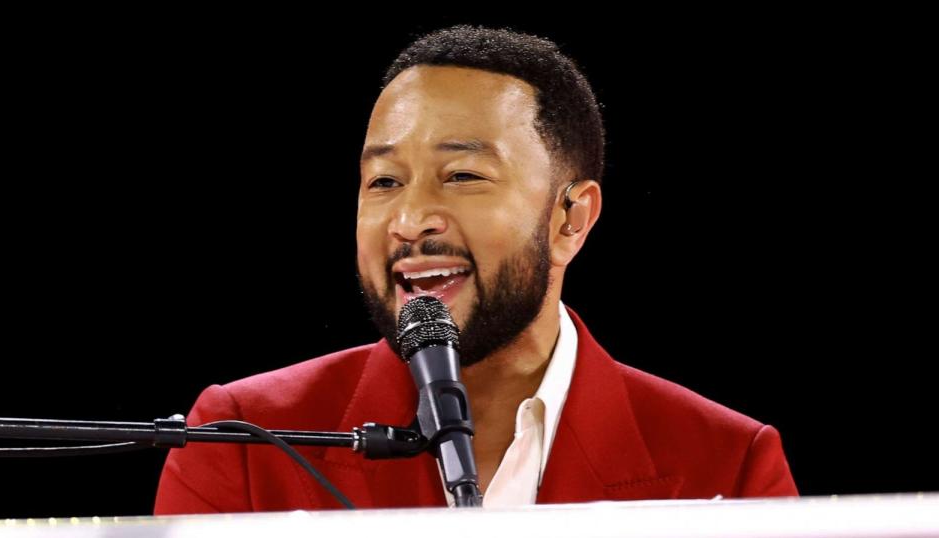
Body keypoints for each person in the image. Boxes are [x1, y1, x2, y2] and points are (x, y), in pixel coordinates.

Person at [154, 25, 797, 514]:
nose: (409, 220)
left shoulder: (727, 465)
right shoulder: (241, 440)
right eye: (383, 181)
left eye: (462, 175)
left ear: (571, 219)